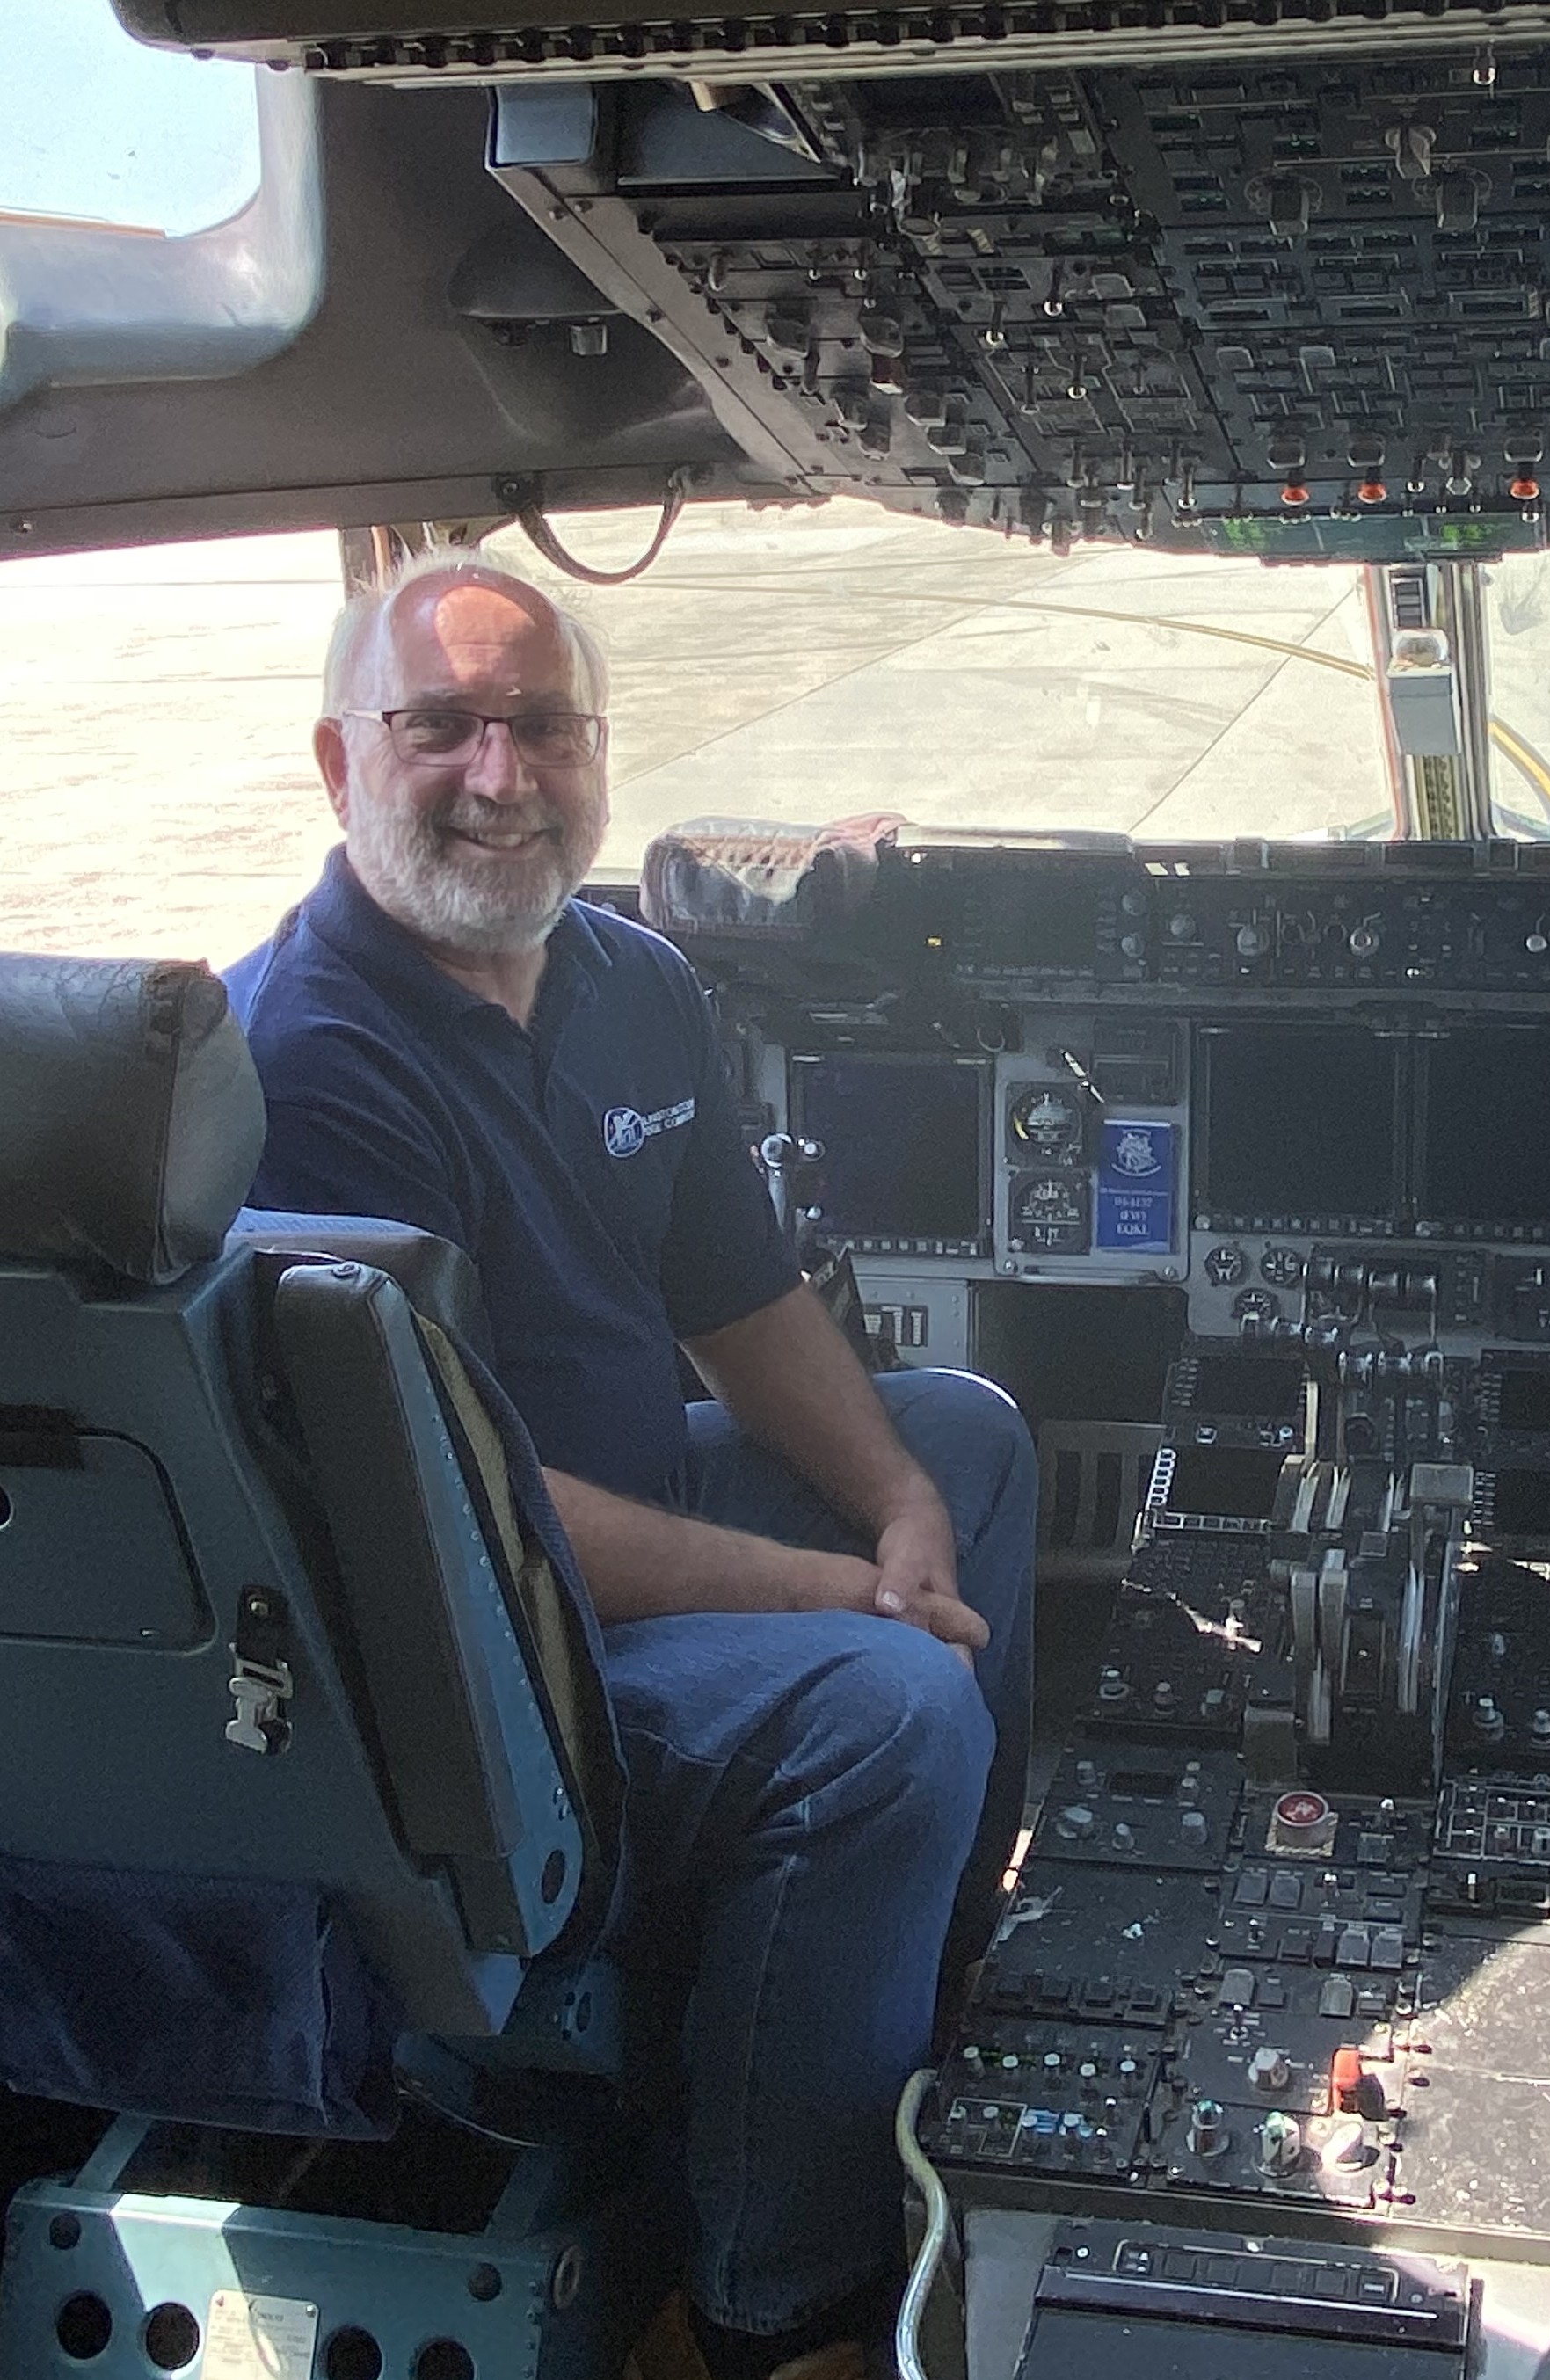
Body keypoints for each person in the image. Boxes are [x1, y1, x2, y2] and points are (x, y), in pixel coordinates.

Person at [227, 551, 1035, 2380]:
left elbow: (738, 1299)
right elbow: (456, 1508)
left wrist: (898, 1508)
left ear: (595, 750)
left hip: (577, 1534)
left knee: (966, 1439)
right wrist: (844, 1587)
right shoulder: (308, 1052)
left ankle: (927, 2016)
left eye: (539, 726)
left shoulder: (627, 979)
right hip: (455, 1650)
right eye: (440, 726)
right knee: (889, 1705)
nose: (500, 774)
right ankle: (774, 2296)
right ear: (337, 758)